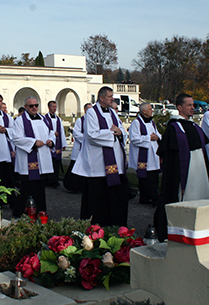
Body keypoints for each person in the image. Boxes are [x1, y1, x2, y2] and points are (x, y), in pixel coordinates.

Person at [153, 93, 209, 241]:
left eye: (193, 105)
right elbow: (169, 156)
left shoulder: (194, 126)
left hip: (200, 169)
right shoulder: (174, 128)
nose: (193, 108)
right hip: (186, 172)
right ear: (179, 107)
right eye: (189, 105)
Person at [71, 86, 129, 227]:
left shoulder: (113, 112)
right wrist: (112, 133)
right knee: (98, 199)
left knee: (115, 197)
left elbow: (121, 130)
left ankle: (115, 224)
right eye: (110, 96)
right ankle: (96, 226)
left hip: (114, 163)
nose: (112, 99)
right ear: (101, 98)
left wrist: (119, 133)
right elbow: (91, 134)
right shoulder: (91, 113)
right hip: (97, 165)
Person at [11, 96, 55, 217]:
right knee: (26, 189)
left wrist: (51, 140)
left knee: (40, 188)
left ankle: (42, 211)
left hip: (42, 160)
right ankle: (17, 213)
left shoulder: (43, 118)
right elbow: (16, 138)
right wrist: (33, 143)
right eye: (31, 106)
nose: (34, 108)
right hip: (28, 161)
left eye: (36, 105)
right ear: (25, 107)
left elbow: (51, 132)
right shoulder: (20, 121)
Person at [129, 102, 161, 205]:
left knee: (153, 176)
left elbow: (157, 133)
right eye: (150, 109)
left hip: (153, 154)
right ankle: (151, 198)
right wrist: (149, 138)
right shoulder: (136, 123)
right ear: (144, 111)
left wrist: (157, 137)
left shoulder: (152, 122)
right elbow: (134, 138)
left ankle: (147, 198)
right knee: (146, 178)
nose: (152, 111)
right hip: (143, 156)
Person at [63, 103, 91, 194]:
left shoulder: (94, 120)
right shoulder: (80, 120)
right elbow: (76, 133)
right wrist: (87, 139)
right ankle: (73, 186)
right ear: (85, 110)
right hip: (80, 148)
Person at [43, 101, 67, 187]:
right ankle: (49, 181)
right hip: (49, 144)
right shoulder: (44, 118)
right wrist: (52, 134)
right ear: (49, 107)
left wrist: (64, 144)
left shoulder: (58, 119)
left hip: (58, 143)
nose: (54, 108)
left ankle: (55, 180)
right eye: (53, 106)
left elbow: (62, 132)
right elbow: (44, 131)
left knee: (57, 163)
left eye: (55, 106)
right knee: (50, 162)